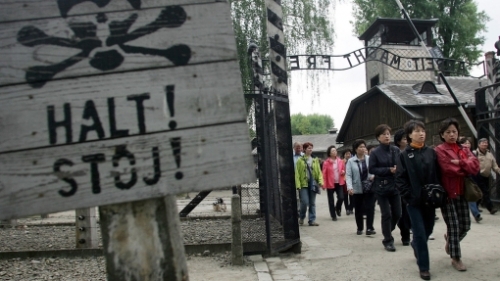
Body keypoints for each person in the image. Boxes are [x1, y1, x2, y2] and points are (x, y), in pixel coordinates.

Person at [395, 120, 440, 280]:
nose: (421, 134)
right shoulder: (404, 155)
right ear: (409, 135)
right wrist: (409, 196)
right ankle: (424, 267)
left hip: (430, 201)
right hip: (413, 202)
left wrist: (438, 193)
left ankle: (416, 245)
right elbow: (400, 179)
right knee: (420, 233)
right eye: (416, 131)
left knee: (428, 229)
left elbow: (438, 174)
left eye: (423, 131)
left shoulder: (431, 152)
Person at [435, 118, 479, 272]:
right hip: (448, 192)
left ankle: (451, 242)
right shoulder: (439, 150)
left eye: (454, 131)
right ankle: (456, 258)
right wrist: (465, 166)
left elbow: (475, 166)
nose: (452, 134)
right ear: (442, 134)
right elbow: (448, 169)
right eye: (448, 132)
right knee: (453, 226)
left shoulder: (464, 149)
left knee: (465, 225)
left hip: (462, 192)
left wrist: (460, 163)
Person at [369, 124, 401, 252]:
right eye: (384, 134)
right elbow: (372, 169)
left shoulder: (396, 150)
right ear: (378, 137)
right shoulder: (375, 153)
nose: (387, 136)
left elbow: (401, 164)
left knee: (398, 213)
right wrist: (388, 170)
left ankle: (387, 229)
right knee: (386, 214)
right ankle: (388, 240)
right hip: (381, 186)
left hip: (395, 186)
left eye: (388, 133)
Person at [346, 139, 376, 235]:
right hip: (357, 187)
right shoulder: (350, 161)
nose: (363, 149)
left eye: (364, 147)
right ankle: (360, 228)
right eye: (360, 147)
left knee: (370, 208)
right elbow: (349, 175)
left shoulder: (369, 159)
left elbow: (374, 170)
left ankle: (369, 228)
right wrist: (349, 187)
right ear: (356, 149)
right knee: (358, 208)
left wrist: (373, 175)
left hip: (369, 187)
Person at [295, 142, 324, 226]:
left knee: (312, 203)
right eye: (308, 148)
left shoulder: (315, 160)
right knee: (304, 202)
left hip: (313, 184)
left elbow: (319, 172)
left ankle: (312, 220)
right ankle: (302, 216)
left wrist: (321, 182)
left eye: (311, 148)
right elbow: (297, 173)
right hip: (303, 184)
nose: (310, 149)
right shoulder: (300, 160)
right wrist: (298, 185)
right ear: (304, 149)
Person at [472, 138, 500, 215]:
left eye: (486, 143)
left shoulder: (489, 154)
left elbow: (495, 166)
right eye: (483, 143)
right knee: (485, 192)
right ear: (479, 144)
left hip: (486, 176)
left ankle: (475, 207)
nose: (485, 144)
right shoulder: (475, 153)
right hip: (477, 176)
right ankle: (491, 208)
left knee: (480, 193)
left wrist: (498, 171)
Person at [394, 129, 411, 246]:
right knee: (402, 212)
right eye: (405, 139)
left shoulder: (412, 151)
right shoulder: (395, 153)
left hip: (412, 186)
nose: (407, 141)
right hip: (398, 187)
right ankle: (405, 235)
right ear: (399, 141)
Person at [458, 137, 482, 222]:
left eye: (468, 143)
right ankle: (475, 213)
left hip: (470, 178)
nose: (467, 145)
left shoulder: (471, 153)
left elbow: (475, 166)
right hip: (460, 179)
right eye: (465, 143)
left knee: (472, 194)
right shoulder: (459, 151)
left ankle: (476, 213)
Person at [322, 145, 346, 220]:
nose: (334, 152)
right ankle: (333, 215)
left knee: (341, 197)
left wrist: (343, 172)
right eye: (333, 151)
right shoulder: (326, 162)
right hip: (330, 183)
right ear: (329, 153)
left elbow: (343, 170)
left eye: (335, 150)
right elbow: (324, 174)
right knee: (331, 200)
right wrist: (323, 184)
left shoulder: (340, 161)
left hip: (339, 182)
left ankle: (337, 207)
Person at [342, 149, 354, 215]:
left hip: (352, 180)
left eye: (349, 154)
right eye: (346, 154)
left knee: (352, 195)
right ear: (344, 155)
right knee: (345, 195)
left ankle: (351, 208)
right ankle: (347, 209)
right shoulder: (341, 162)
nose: (348, 155)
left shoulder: (353, 161)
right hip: (344, 180)